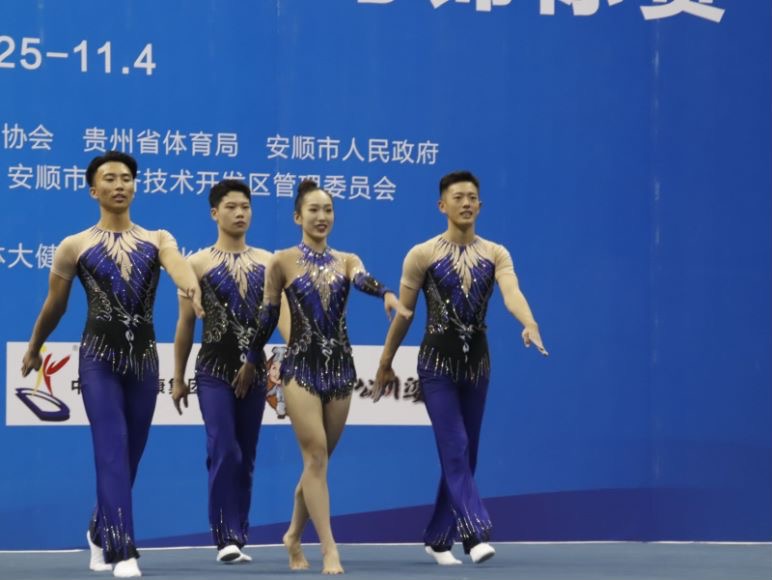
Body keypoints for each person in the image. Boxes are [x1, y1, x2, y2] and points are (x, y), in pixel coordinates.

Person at [20, 151, 203, 578]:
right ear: (93, 190)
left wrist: (191, 287)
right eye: (110, 178)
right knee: (111, 450)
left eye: (126, 178)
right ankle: (122, 551)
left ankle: (98, 529)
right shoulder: (74, 246)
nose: (119, 185)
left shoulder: (157, 238)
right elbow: (55, 305)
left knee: (130, 455)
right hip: (98, 360)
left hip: (143, 362)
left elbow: (177, 267)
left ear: (135, 186)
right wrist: (34, 346)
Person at [374, 170, 548, 566]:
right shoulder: (422, 254)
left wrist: (529, 322)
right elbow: (404, 314)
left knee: (467, 456)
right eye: (458, 197)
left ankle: (438, 537)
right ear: (442, 205)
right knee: (454, 447)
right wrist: (386, 362)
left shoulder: (496, 253)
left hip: (477, 365)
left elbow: (511, 293)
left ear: (480, 205)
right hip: (436, 365)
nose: (466, 203)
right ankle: (474, 534)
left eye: (472, 197)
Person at [249, 179, 411, 574]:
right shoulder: (281, 261)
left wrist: (386, 293)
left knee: (317, 464)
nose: (322, 217)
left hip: (340, 370)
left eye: (328, 210)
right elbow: (268, 316)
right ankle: (328, 548)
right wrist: (251, 358)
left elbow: (362, 278)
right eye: (314, 210)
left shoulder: (347, 259)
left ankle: (292, 535)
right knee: (316, 456)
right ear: (297, 216)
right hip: (300, 368)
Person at [172, 179, 287, 564]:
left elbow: (282, 318)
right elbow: (186, 325)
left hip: (254, 372)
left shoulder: (270, 263)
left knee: (246, 454)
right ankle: (225, 536)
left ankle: (238, 532)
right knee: (223, 447)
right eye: (231, 207)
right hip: (213, 371)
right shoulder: (196, 264)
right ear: (214, 213)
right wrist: (178, 377)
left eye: (245, 207)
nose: (240, 213)